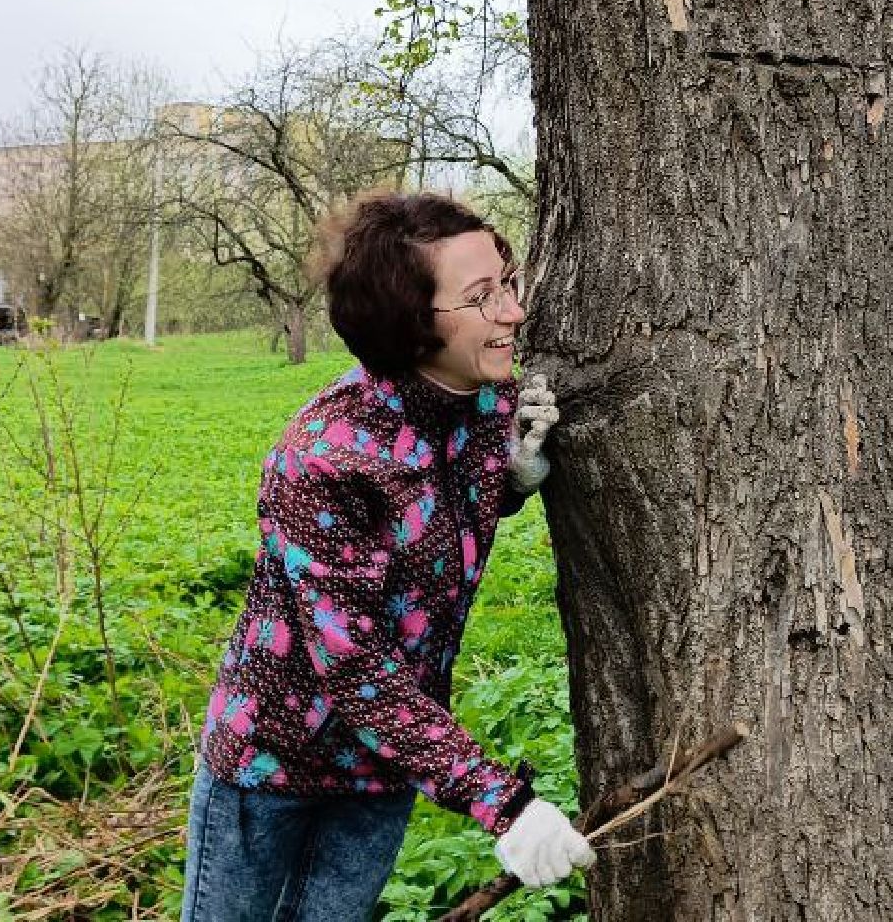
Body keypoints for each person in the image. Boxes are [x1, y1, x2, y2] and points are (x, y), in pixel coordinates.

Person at [181, 192, 595, 921]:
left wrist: (510, 480)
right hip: (271, 767)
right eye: (480, 297)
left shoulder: (486, 405)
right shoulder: (327, 456)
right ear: (412, 324)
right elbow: (354, 667)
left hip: (382, 769)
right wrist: (504, 803)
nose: (512, 313)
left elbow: (427, 525)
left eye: (507, 283)